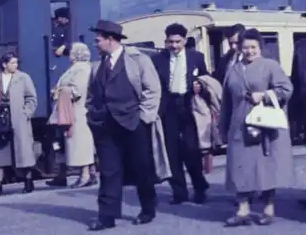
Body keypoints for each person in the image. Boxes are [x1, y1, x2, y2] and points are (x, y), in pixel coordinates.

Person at [86, 19, 171, 231]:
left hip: (134, 125)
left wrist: (144, 117)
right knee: (108, 171)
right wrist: (92, 116)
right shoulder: (97, 66)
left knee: (141, 169)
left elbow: (153, 90)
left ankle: (148, 208)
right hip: (105, 126)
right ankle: (107, 216)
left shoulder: (138, 61)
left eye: (98, 40)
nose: (95, 43)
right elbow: (91, 95)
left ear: (110, 40)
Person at [219, 28, 294, 227]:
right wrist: (223, 126)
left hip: (264, 125)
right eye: (245, 47)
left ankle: (268, 207)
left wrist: (265, 95)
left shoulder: (270, 66)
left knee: (265, 166)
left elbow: (286, 89)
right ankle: (242, 210)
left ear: (260, 47)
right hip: (239, 125)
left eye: (253, 47)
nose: (249, 51)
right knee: (239, 166)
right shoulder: (233, 68)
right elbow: (226, 100)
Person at [152, 23, 210, 204]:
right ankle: (179, 191)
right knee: (171, 152)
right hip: (168, 107)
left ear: (185, 41)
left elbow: (207, 80)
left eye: (178, 42)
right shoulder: (158, 59)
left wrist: (200, 87)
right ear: (166, 41)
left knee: (192, 150)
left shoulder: (197, 58)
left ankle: (200, 187)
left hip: (189, 106)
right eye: (171, 42)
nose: (174, 46)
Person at [0, 51, 38, 197]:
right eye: (12, 63)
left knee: (23, 151)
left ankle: (28, 181)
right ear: (4, 64)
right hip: (0, 121)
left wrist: (26, 113)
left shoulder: (24, 78)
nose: (16, 65)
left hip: (19, 120)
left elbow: (31, 98)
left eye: (17, 62)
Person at [47, 42, 97, 188]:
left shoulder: (81, 70)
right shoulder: (80, 68)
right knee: (80, 144)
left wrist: (58, 91)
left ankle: (85, 175)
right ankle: (91, 173)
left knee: (80, 143)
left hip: (76, 112)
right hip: (73, 111)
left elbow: (77, 90)